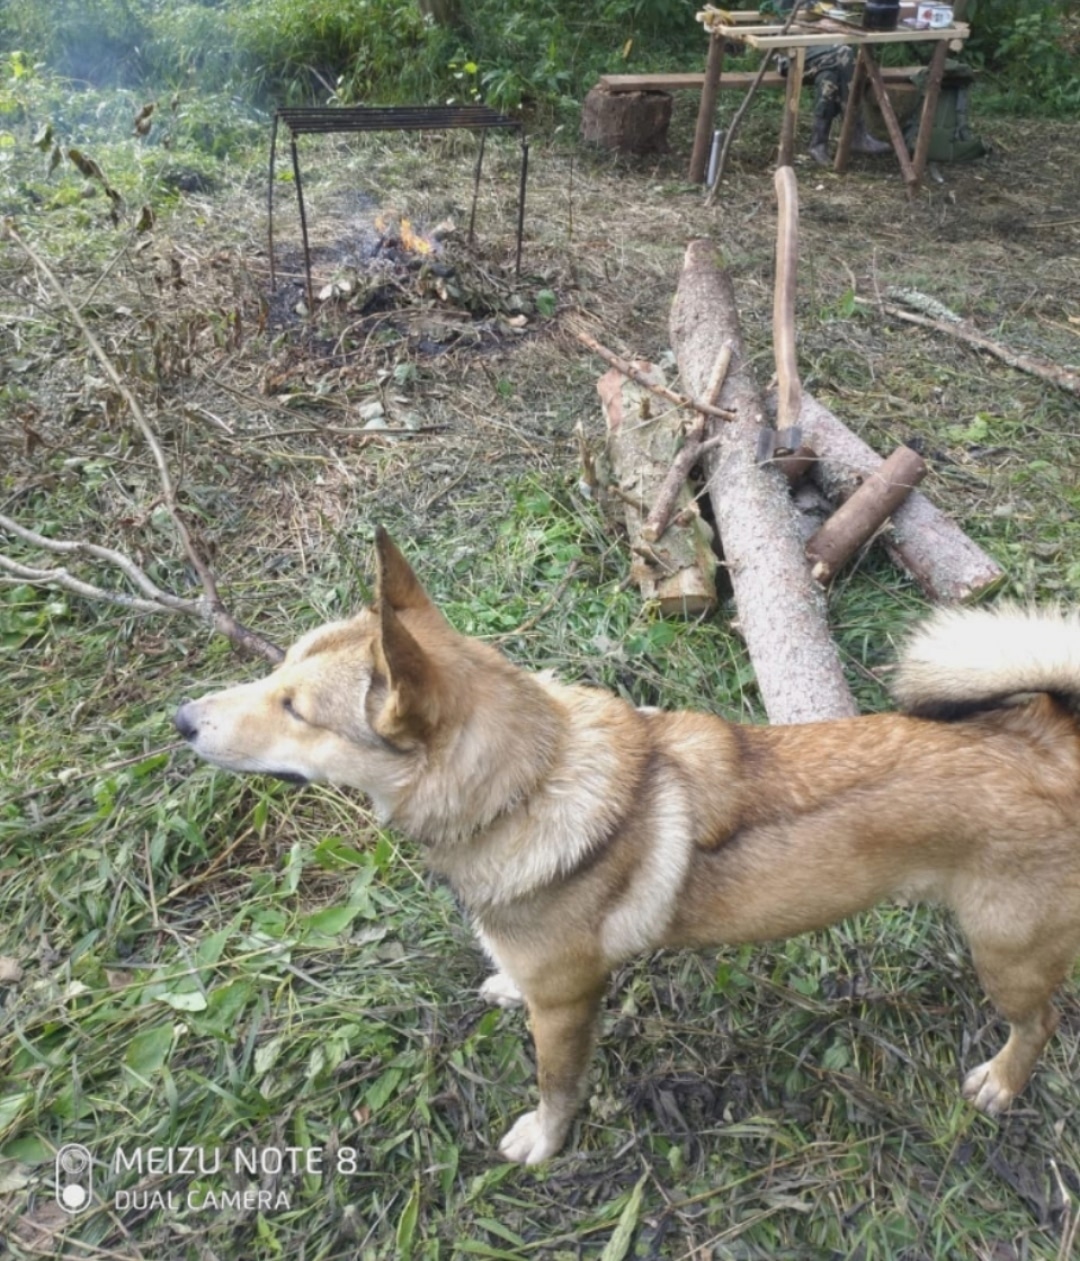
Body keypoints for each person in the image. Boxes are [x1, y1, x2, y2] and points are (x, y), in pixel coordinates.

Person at [777, 2, 892, 165]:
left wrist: (837, 18)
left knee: (830, 77)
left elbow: (836, 10)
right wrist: (815, 26)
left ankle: (818, 144)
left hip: (825, 53)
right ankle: (855, 132)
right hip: (792, 54)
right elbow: (781, 25)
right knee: (844, 53)